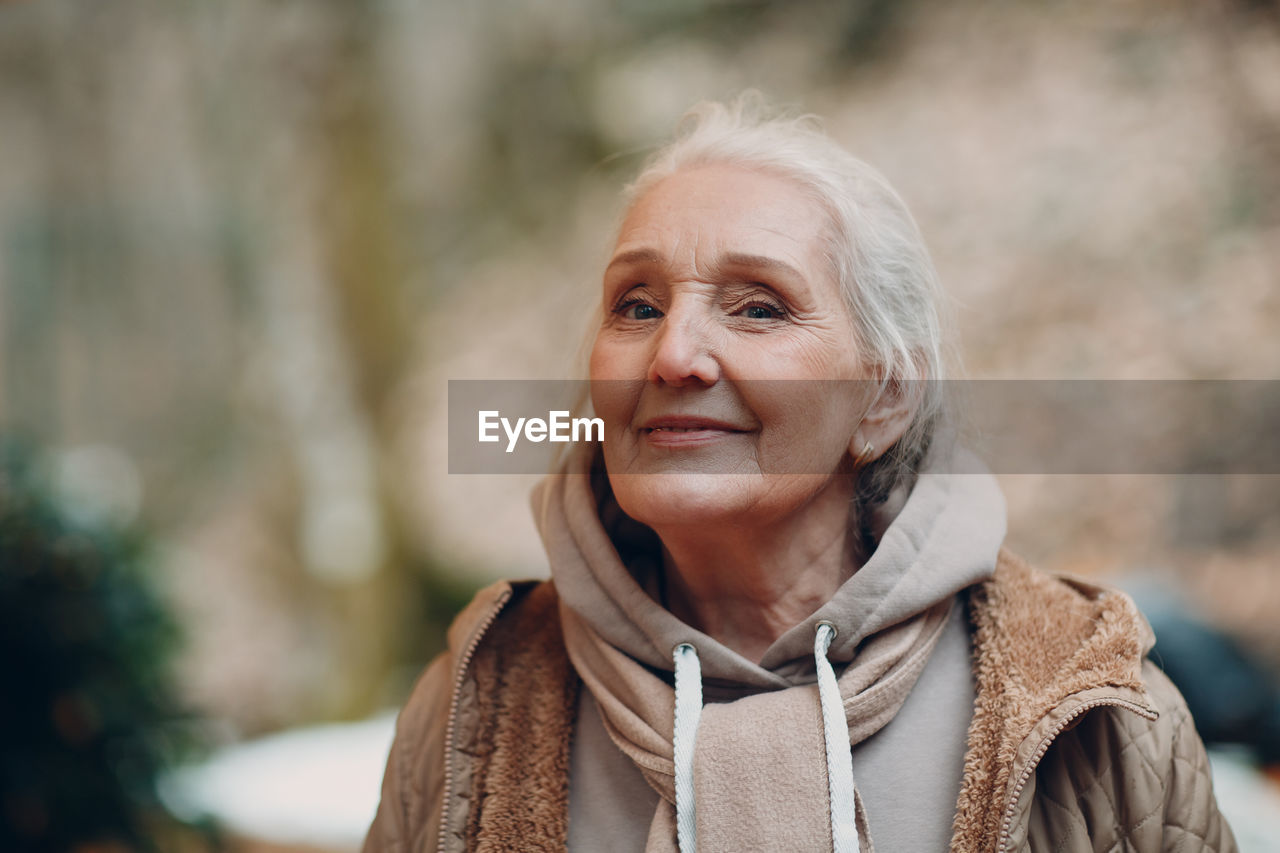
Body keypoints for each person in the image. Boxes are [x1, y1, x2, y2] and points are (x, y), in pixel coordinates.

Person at [364, 97, 1236, 852]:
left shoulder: (1093, 709)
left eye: (758, 307)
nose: (673, 354)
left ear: (885, 397)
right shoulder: (479, 698)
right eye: (638, 304)